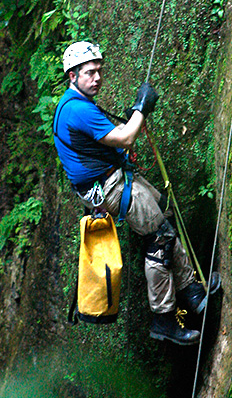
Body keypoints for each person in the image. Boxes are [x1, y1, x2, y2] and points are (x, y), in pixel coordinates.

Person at [53, 40, 220, 346]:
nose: (97, 78)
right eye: (89, 73)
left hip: (110, 181)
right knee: (158, 239)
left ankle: (193, 292)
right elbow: (127, 138)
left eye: (99, 71)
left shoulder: (72, 105)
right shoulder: (77, 110)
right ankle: (164, 319)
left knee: (162, 215)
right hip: (111, 187)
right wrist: (142, 106)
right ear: (72, 76)